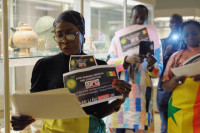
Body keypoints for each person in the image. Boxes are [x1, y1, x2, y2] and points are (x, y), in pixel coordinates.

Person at [10, 10, 132, 133]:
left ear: (82, 34)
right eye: (59, 35)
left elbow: (98, 113)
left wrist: (119, 100)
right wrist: (22, 118)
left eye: (70, 34)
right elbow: (34, 109)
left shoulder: (99, 67)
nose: (64, 40)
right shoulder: (44, 66)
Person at [106, 5, 163, 133]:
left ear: (147, 18)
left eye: (142, 18)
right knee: (117, 127)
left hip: (142, 96)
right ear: (130, 17)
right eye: (136, 17)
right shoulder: (118, 39)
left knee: (142, 128)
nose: (139, 20)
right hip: (120, 96)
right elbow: (108, 64)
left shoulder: (154, 40)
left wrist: (151, 66)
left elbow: (158, 72)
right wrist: (125, 60)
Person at [162, 20, 200, 133]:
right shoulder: (176, 57)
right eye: (186, 35)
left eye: (194, 33)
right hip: (179, 109)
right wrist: (175, 80)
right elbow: (165, 86)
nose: (190, 37)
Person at [156, 13, 183, 133]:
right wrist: (166, 54)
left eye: (178, 21)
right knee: (165, 125)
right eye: (172, 22)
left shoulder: (188, 43)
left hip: (183, 88)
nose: (175, 24)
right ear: (169, 24)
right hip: (165, 89)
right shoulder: (162, 42)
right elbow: (157, 67)